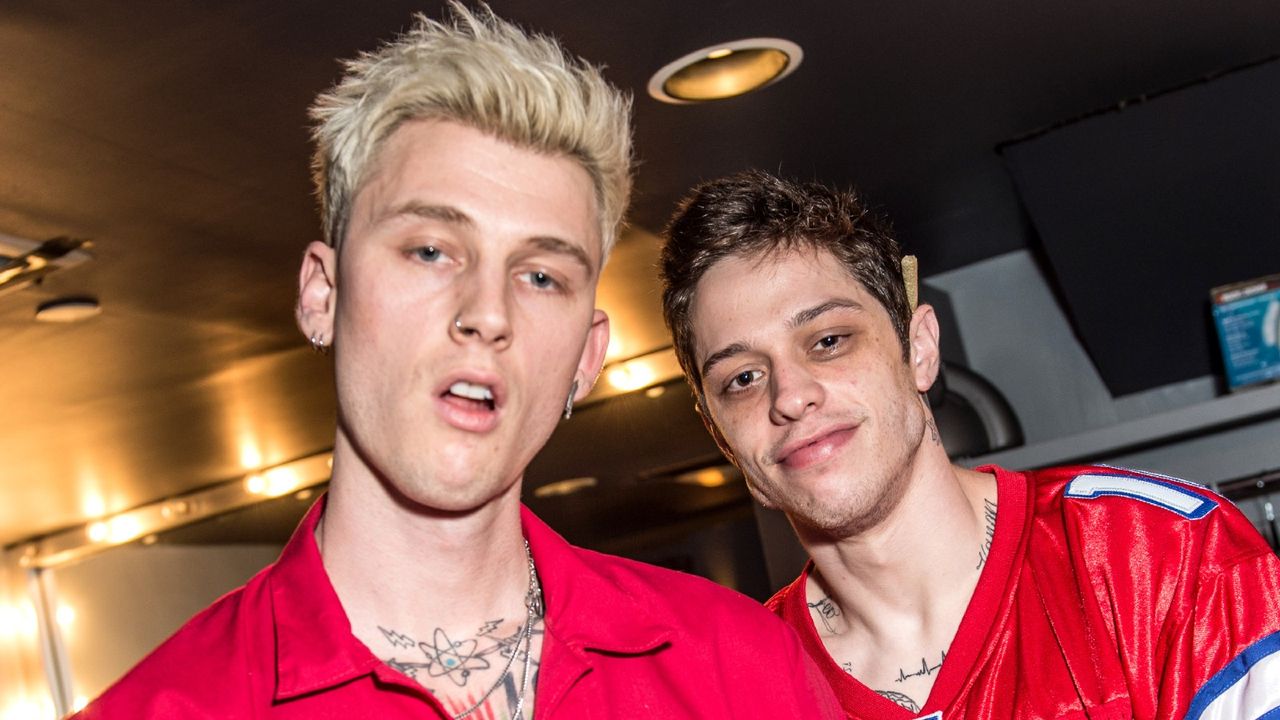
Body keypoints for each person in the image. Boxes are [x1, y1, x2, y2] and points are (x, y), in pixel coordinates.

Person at [75, 10, 842, 719]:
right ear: (323, 295)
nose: (488, 312)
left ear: (586, 357)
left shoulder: (738, 667)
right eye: (432, 251)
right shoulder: (166, 706)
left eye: (541, 275)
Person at [658, 169, 1280, 719]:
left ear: (919, 349)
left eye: (828, 341)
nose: (789, 396)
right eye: (742, 378)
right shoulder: (739, 689)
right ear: (721, 435)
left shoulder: (1159, 556)